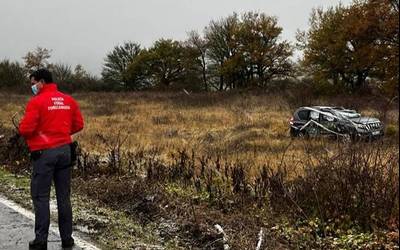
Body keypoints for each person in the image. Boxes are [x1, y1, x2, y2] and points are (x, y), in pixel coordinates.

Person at [19, 69, 84, 250]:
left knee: (41, 197)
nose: (32, 87)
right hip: (65, 151)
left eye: (33, 83)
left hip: (44, 153)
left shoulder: (37, 102)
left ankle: (41, 240)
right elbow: (79, 124)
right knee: (64, 197)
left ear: (41, 82)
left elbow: (25, 129)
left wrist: (45, 136)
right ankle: (67, 239)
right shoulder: (68, 100)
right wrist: (60, 133)